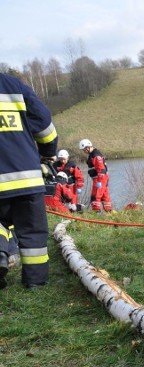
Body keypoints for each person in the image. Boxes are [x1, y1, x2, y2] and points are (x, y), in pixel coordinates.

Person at [0, 72, 57, 289]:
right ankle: (36, 283)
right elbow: (44, 124)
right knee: (32, 231)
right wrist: (47, 152)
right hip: (26, 178)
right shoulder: (13, 85)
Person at [78, 138, 111, 212]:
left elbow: (100, 169)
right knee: (104, 195)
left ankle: (96, 213)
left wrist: (99, 181)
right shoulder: (92, 154)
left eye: (84, 150)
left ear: (88, 147)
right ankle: (109, 212)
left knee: (95, 196)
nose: (84, 151)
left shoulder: (95, 155)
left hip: (99, 178)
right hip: (101, 178)